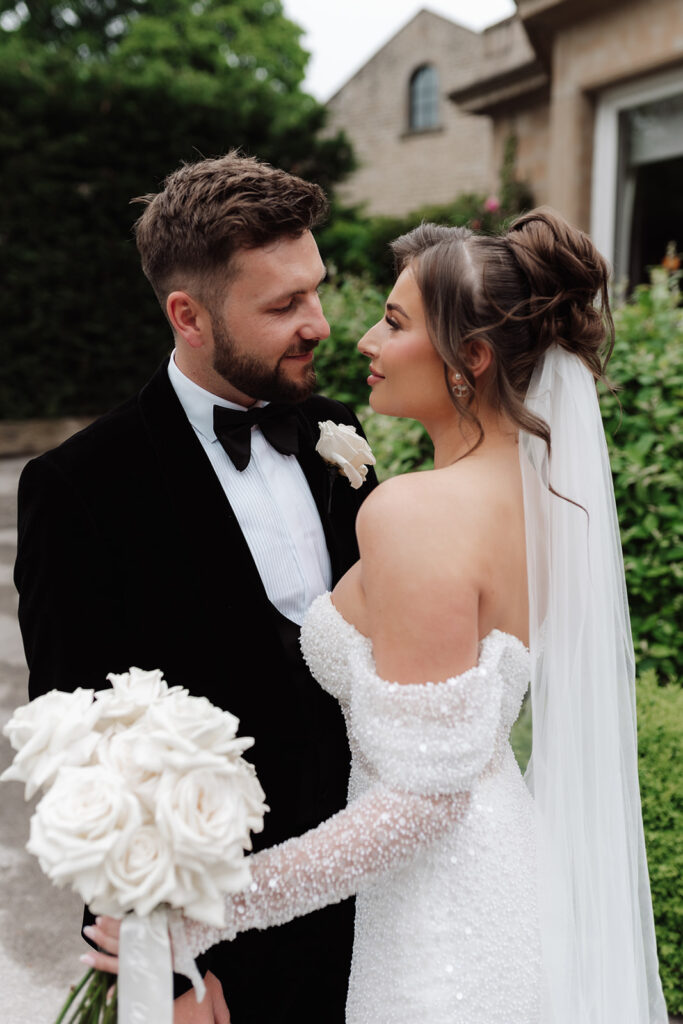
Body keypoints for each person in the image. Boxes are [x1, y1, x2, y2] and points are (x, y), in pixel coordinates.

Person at [85, 209, 668, 1023]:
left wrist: (199, 913)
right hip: (494, 882)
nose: (356, 338)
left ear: (469, 358)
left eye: (392, 322)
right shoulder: (546, 502)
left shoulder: (415, 513)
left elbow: (423, 802)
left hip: (444, 927)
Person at [14, 152, 377, 1023]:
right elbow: (85, 749)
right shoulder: (79, 487)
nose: (320, 324)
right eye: (283, 305)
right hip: (219, 941)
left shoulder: (334, 430)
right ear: (188, 316)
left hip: (376, 897)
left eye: (316, 289)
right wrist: (159, 973)